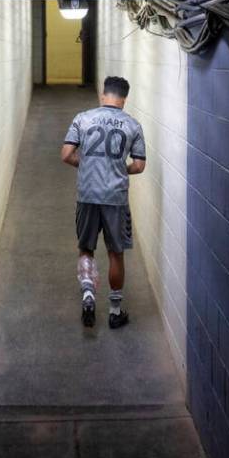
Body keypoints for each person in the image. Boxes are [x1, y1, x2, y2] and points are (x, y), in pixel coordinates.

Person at [61, 76, 147, 328]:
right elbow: (139, 165)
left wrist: (86, 164)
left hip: (87, 194)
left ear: (103, 94)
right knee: (115, 253)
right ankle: (115, 311)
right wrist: (118, 169)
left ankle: (88, 294)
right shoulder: (133, 125)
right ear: (124, 98)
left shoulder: (82, 118)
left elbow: (66, 154)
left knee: (86, 248)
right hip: (115, 198)